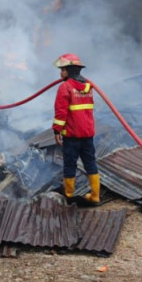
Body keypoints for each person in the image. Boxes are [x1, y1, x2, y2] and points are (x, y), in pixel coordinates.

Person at [52, 53, 101, 205]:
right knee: (91, 164)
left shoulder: (65, 87)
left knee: (70, 165)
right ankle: (95, 196)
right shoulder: (88, 87)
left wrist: (56, 130)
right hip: (87, 135)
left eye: (62, 70)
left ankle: (68, 195)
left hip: (72, 135)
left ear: (68, 71)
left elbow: (61, 112)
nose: (60, 73)